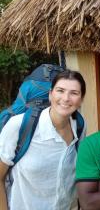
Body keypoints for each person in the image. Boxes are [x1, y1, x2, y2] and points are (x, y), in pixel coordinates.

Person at [0, 70, 86, 210]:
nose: (66, 98)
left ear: (81, 99)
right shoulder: (19, 126)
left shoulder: (79, 126)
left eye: (74, 93)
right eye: (60, 90)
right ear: (50, 94)